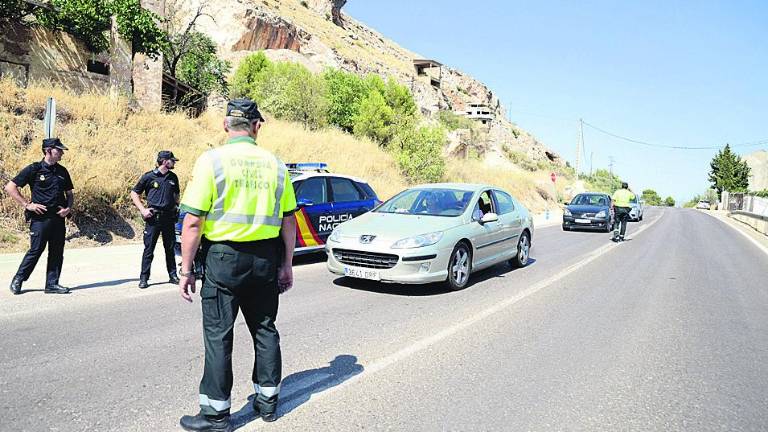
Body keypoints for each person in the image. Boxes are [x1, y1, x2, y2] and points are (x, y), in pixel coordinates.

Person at [177, 98, 297, 431]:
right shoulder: (276, 165)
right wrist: (286, 264)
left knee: (219, 336)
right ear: (257, 127)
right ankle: (268, 402)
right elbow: (289, 221)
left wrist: (186, 270)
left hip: (223, 260)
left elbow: (192, 222)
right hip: (265, 259)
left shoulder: (212, 161)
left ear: (225, 125)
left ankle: (216, 415)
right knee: (265, 329)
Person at [5, 138, 74, 295]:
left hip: (58, 218)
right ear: (48, 151)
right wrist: (27, 205)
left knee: (57, 251)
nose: (62, 153)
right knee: (35, 250)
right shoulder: (34, 169)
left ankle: (52, 284)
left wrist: (68, 208)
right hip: (40, 219)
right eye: (59, 150)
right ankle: (18, 279)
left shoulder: (62, 171)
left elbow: (69, 194)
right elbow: (10, 187)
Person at [130, 151, 181, 289]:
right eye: (172, 160)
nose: (174, 162)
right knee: (149, 250)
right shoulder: (149, 177)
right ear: (165, 161)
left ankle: (173, 275)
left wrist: (176, 206)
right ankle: (144, 278)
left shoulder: (173, 177)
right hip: (153, 218)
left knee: (170, 248)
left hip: (168, 218)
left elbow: (176, 195)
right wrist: (143, 210)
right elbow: (134, 193)